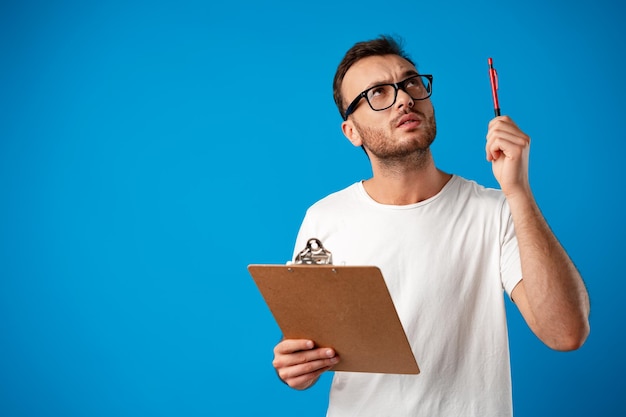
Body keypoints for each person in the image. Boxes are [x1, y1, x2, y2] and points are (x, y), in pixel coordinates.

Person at [272, 35, 590, 417]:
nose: (404, 98)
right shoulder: (324, 218)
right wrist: (297, 366)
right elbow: (308, 346)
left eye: (411, 83)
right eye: (377, 93)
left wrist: (518, 192)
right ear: (351, 132)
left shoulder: (496, 211)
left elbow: (566, 333)